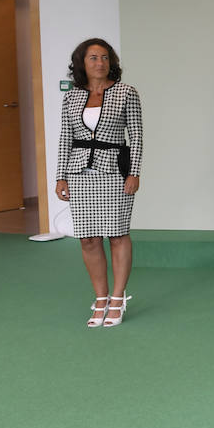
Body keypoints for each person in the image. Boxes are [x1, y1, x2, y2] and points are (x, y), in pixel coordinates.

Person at [54, 39, 143, 328]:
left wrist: (134, 172)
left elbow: (137, 137)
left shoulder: (126, 92)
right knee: (89, 238)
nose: (100, 63)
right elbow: (65, 138)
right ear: (82, 63)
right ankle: (101, 297)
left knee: (117, 235)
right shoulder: (72, 97)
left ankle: (118, 298)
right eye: (93, 57)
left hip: (115, 172)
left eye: (105, 57)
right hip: (80, 173)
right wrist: (60, 176)